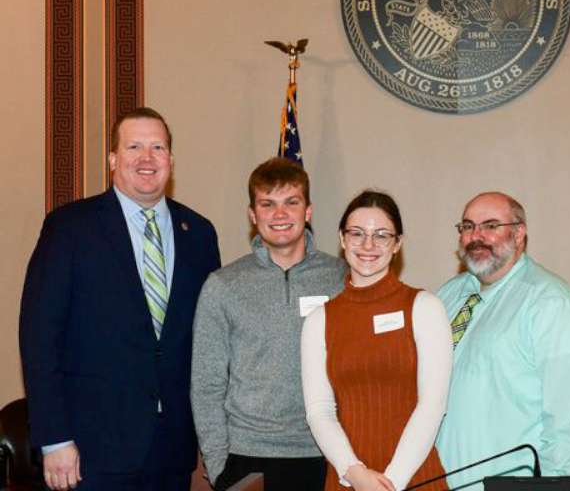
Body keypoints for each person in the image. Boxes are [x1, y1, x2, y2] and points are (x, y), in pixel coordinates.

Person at [20, 107, 221, 491]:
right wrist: (55, 438)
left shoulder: (199, 233)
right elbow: (39, 337)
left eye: (157, 147)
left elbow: (210, 341)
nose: (147, 158)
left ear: (171, 160)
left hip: (172, 449)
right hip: (90, 451)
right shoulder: (69, 228)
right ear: (113, 159)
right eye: (134, 147)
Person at [191, 157, 345, 491]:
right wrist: (218, 465)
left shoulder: (341, 278)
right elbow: (206, 384)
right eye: (267, 204)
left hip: (325, 453)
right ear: (252, 214)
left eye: (291, 202)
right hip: (246, 456)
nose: (280, 214)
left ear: (308, 211)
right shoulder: (223, 285)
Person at [436, 191, 570, 489]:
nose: (476, 236)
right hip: (435, 480)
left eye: (490, 226)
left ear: (519, 233)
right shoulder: (447, 296)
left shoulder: (552, 304)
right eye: (468, 226)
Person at [301, 190, 452, 491]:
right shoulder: (319, 320)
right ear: (342, 239)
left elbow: (432, 406)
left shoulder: (425, 307)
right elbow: (319, 410)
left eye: (381, 235)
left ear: (397, 244)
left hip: (415, 478)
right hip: (348, 481)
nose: (368, 245)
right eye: (357, 233)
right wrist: (354, 473)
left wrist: (390, 483)